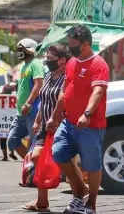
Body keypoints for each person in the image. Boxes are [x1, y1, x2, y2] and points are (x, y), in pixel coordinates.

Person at [47, 25, 109, 214]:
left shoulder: (99, 64)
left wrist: (87, 113)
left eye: (74, 45)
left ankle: (91, 203)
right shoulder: (72, 62)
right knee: (58, 153)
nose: (71, 47)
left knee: (92, 165)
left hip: (90, 125)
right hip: (69, 122)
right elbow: (64, 91)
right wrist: (54, 116)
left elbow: (98, 91)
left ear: (86, 44)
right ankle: (80, 190)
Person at [22, 44, 80, 211]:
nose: (47, 62)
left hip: (61, 126)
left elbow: (66, 102)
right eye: (46, 59)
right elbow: (44, 101)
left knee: (66, 163)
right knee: (36, 157)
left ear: (62, 60)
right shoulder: (48, 76)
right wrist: (37, 120)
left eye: (51, 59)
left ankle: (78, 195)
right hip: (45, 125)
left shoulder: (68, 78)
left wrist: (56, 119)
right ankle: (42, 201)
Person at [7, 38, 45, 160]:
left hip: (32, 112)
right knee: (12, 140)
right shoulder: (24, 66)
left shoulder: (36, 64)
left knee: (34, 144)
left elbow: (39, 84)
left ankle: (34, 172)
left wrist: (28, 104)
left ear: (29, 50)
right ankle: (29, 165)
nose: (19, 52)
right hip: (20, 113)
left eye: (21, 49)